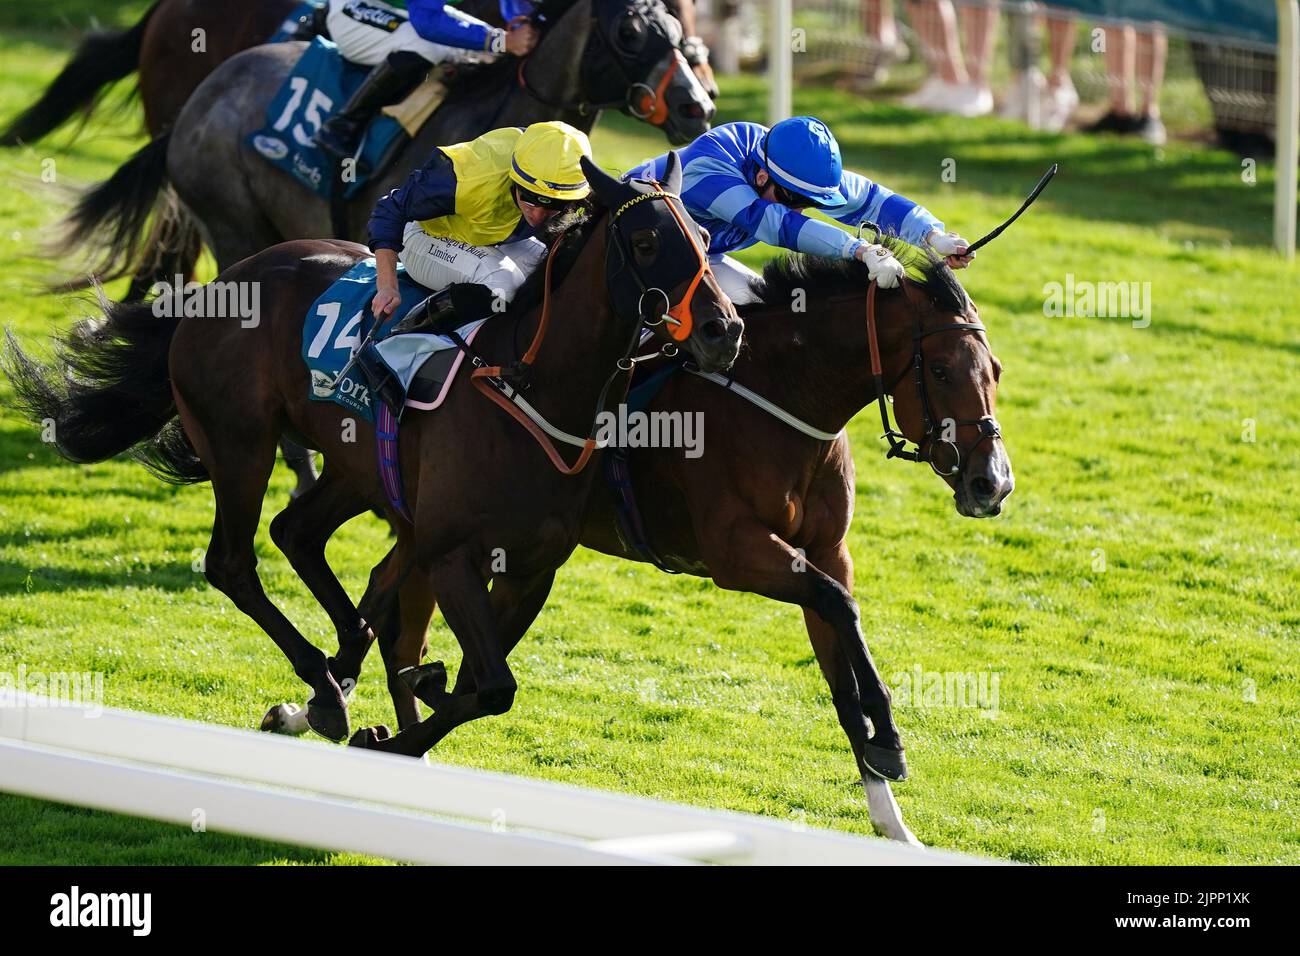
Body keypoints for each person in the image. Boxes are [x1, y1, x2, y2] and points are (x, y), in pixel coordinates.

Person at [624, 116, 972, 305]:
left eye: (812, 203)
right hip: (625, 255)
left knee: (758, 313)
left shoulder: (790, 166)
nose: (803, 210)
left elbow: (871, 200)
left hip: (692, 256)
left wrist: (933, 235)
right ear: (762, 176)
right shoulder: (710, 166)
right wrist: (862, 250)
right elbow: (777, 225)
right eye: (796, 201)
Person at [366, 121, 592, 323]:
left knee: (553, 271)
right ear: (514, 178)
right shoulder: (469, 177)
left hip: (489, 237)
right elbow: (390, 208)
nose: (539, 215)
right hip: (423, 236)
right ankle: (404, 339)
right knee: (504, 285)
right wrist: (387, 285)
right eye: (531, 199)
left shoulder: (571, 183)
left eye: (554, 205)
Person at [317, 0, 540, 161]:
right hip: (352, 8)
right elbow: (428, 24)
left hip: (406, 8)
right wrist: (503, 41)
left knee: (487, 47)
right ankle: (342, 124)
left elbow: (515, 6)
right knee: (427, 46)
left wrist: (518, 34)